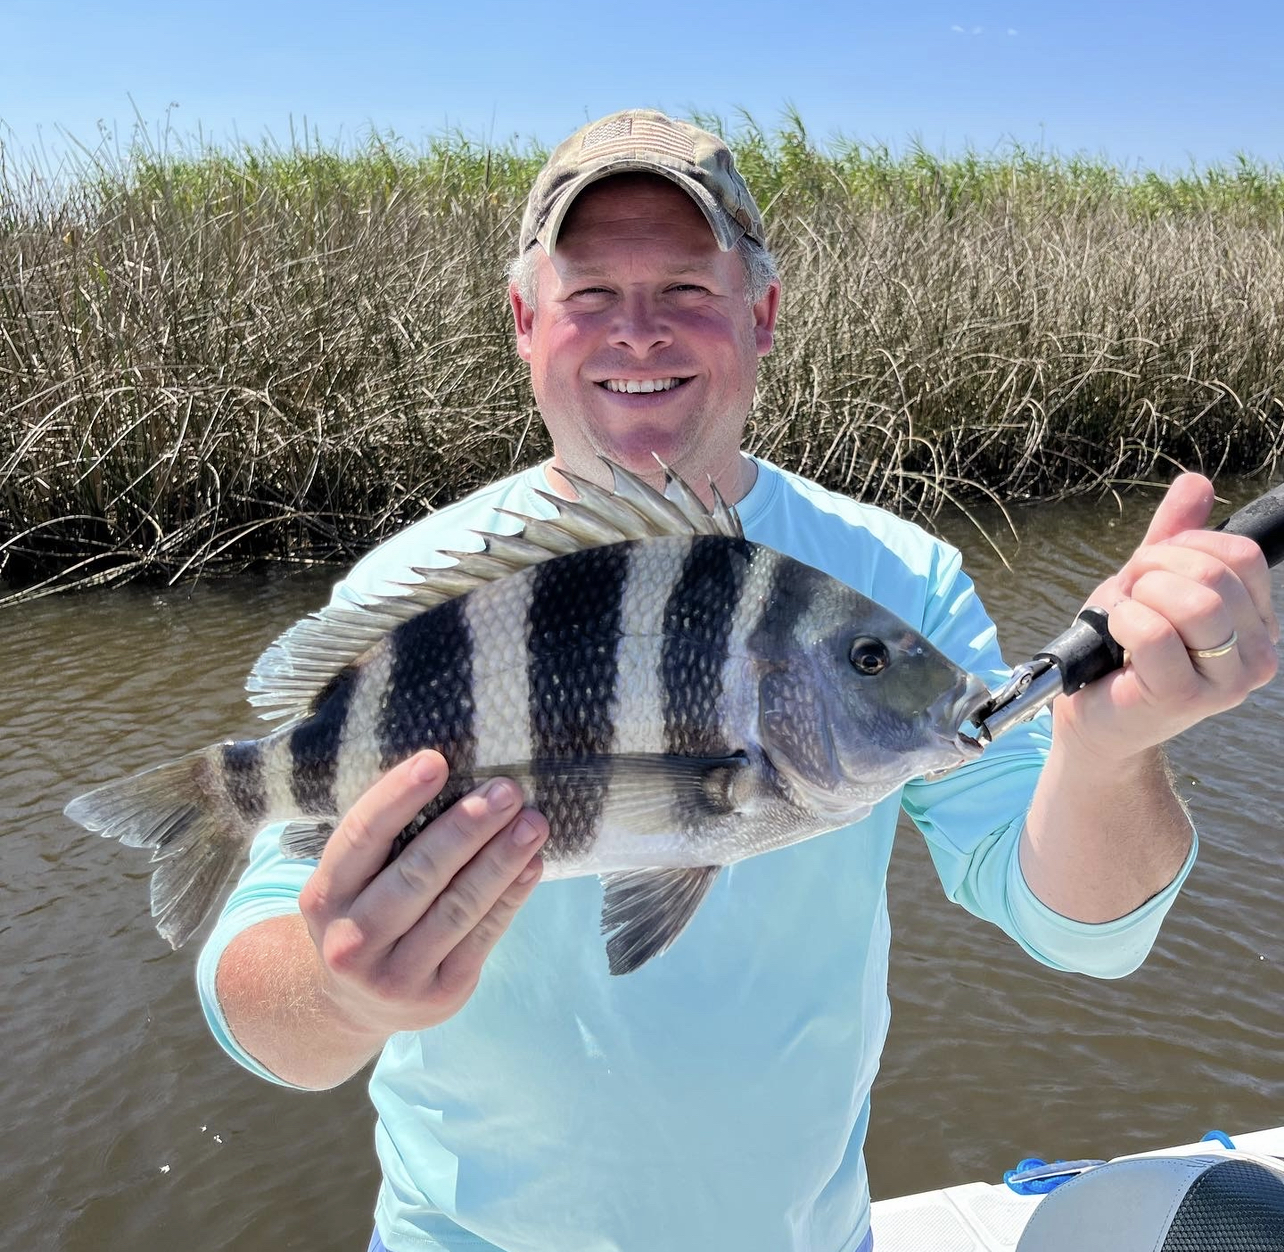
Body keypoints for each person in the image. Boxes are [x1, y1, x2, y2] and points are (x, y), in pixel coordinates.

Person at [196, 109, 1278, 1252]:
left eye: (686, 290)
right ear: (526, 322)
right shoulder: (415, 587)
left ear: (761, 315)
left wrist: (1109, 751)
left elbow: (1083, 935)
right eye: (591, 295)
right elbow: (258, 1004)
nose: (639, 333)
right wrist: (345, 992)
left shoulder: (895, 577)